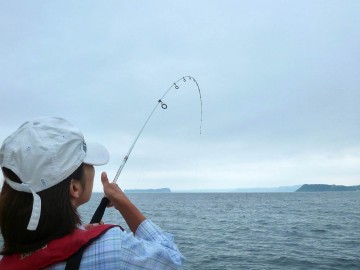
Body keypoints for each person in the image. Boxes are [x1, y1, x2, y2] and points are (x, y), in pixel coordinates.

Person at [0, 117, 184, 269]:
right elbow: (172, 260)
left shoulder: (9, 259)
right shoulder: (115, 248)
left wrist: (76, 235)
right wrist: (123, 203)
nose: (93, 169)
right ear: (74, 188)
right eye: (87, 163)